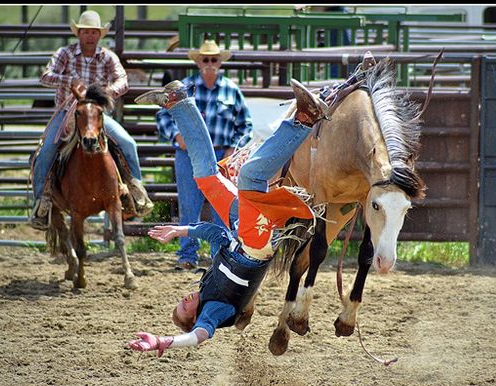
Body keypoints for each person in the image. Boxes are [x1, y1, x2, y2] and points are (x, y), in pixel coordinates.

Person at [126, 77, 329, 355]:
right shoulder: (213, 311)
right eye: (184, 308)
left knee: (207, 177)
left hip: (239, 231)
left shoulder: (208, 284)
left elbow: (217, 235)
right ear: (195, 317)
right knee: (249, 177)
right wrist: (164, 341)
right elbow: (198, 337)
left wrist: (181, 230)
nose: (183, 300)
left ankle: (180, 103)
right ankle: (305, 120)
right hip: (254, 244)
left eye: (179, 302)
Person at [29, 10, 153, 230]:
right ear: (79, 33)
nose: (89, 36)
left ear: (99, 35)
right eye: (85, 31)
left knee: (128, 143)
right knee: (47, 150)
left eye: (94, 32)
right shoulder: (65, 54)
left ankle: (136, 192)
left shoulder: (107, 56)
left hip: (97, 115)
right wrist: (70, 81)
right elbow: (45, 76)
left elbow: (122, 81)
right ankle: (41, 202)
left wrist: (103, 93)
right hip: (68, 113)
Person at [157, 39, 254, 270]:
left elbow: (246, 125)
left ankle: (219, 256)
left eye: (214, 59)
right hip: (188, 154)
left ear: (220, 63)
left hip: (222, 155)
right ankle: (187, 256)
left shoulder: (232, 90)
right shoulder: (185, 88)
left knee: (223, 208)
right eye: (206, 59)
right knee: (190, 205)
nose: (210, 63)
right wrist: (176, 136)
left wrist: (233, 147)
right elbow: (162, 116)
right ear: (198, 62)